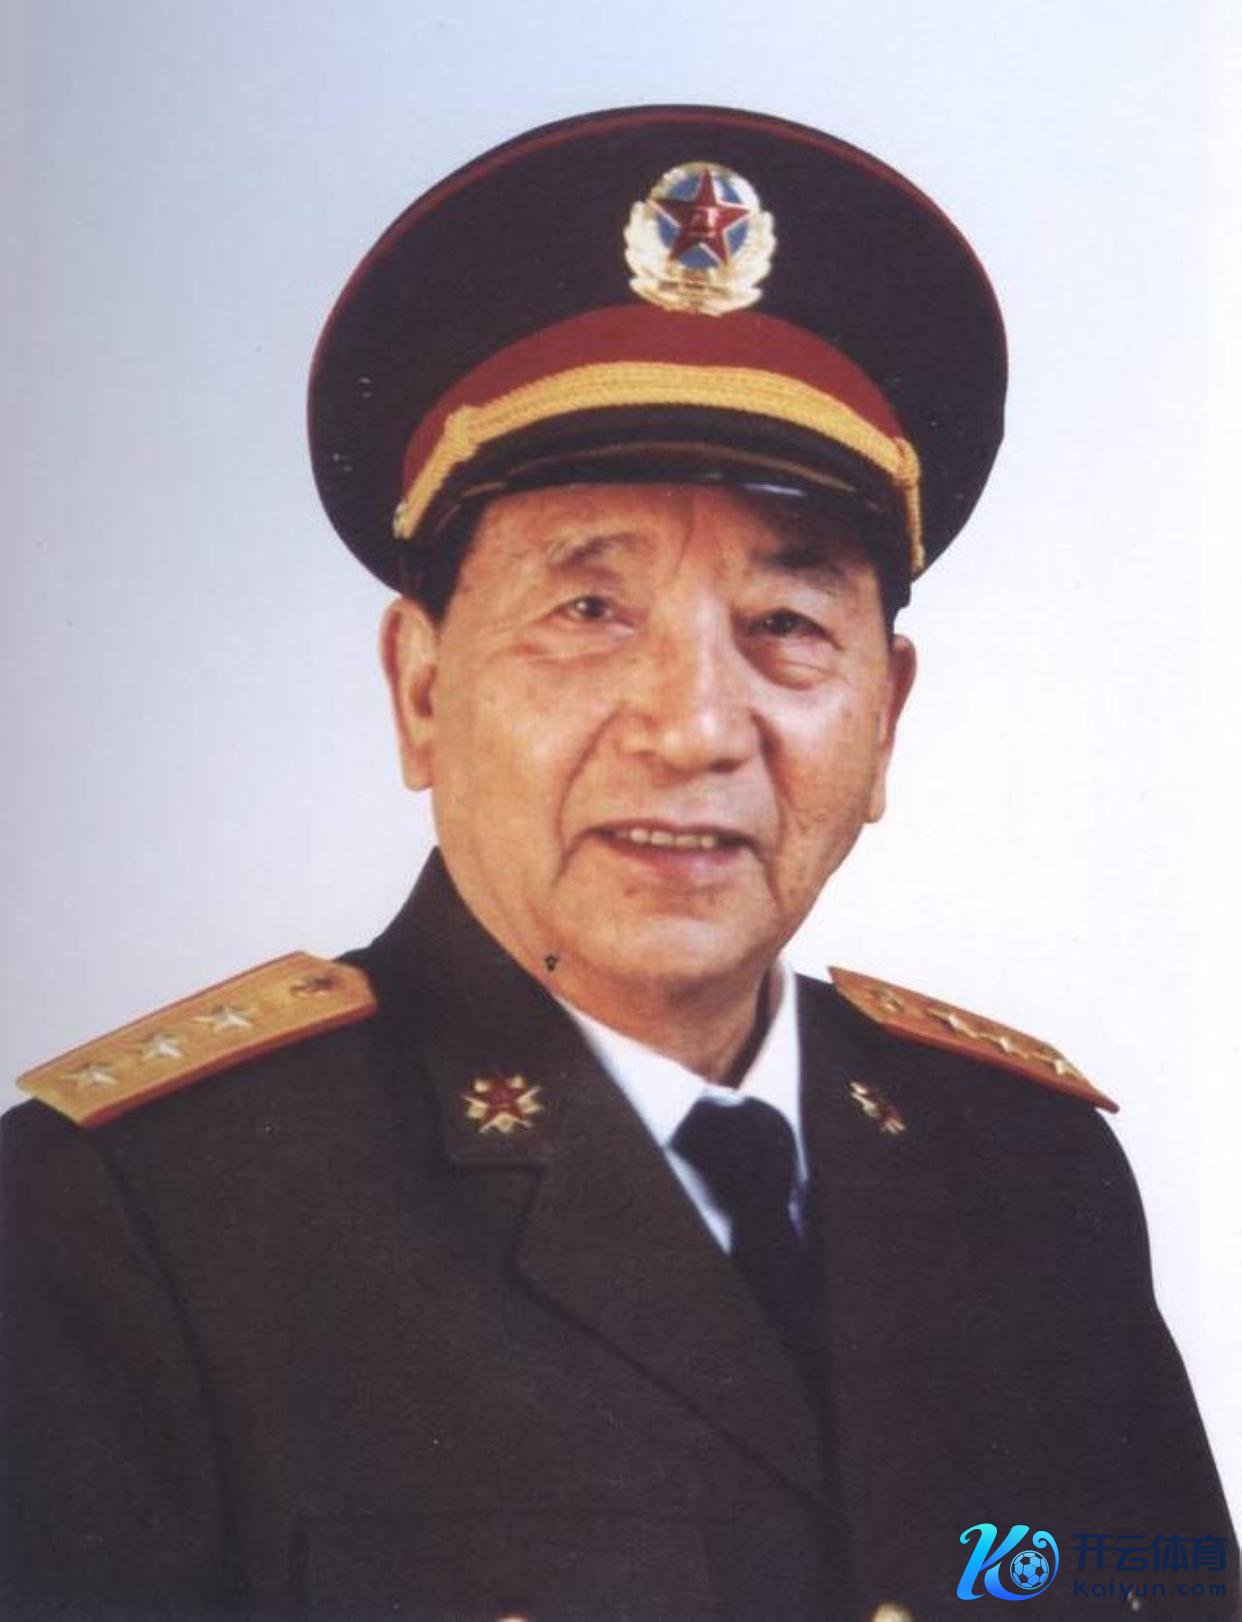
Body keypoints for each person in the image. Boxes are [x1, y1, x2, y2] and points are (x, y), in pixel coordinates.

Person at [2, 106, 1234, 1621]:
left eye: (786, 624)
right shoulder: (133, 1216)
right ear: (422, 691)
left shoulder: (1033, 1175)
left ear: (886, 717)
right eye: (589, 611)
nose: (696, 727)